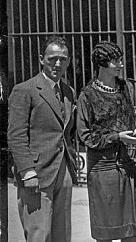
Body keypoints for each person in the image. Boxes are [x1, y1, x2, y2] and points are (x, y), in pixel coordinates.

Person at [76, 41, 136, 241]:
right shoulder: (87, 95)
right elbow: (85, 135)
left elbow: (132, 118)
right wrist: (117, 137)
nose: (120, 64)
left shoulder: (127, 86)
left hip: (130, 163)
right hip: (104, 167)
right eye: (115, 61)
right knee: (107, 229)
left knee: (131, 230)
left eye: (120, 59)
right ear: (102, 64)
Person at [8, 36, 79, 241]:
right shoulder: (25, 90)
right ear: (41, 59)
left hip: (62, 170)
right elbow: (16, 135)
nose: (58, 64)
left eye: (63, 59)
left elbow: (66, 131)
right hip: (36, 173)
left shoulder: (68, 91)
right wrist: (27, 171)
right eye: (52, 58)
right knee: (39, 234)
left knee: (62, 234)